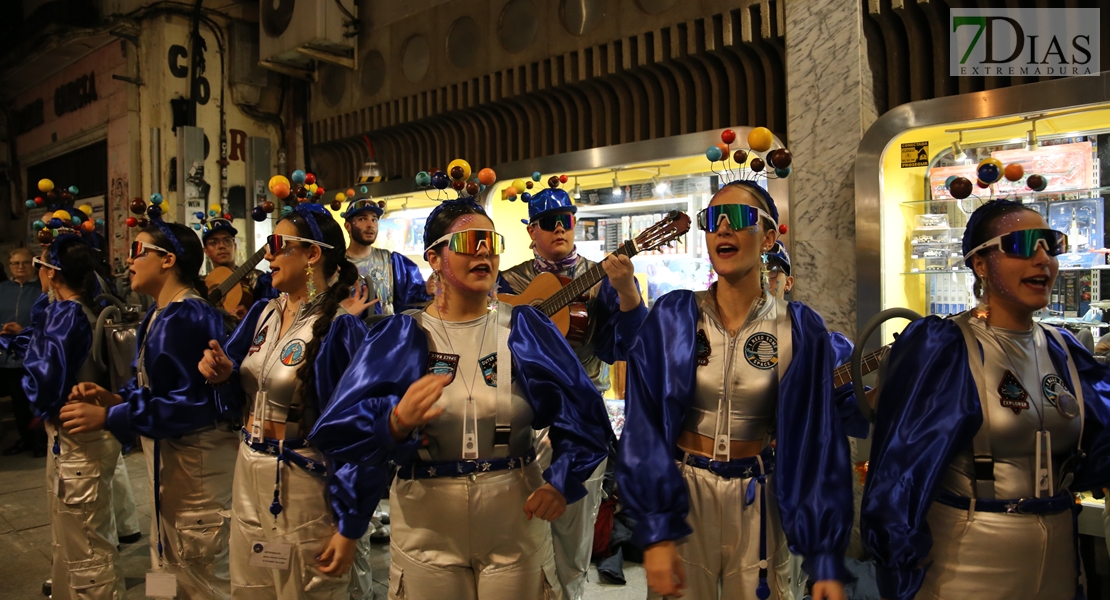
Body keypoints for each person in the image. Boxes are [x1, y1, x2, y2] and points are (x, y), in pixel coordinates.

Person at [310, 193, 612, 599]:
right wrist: (393, 425)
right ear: (434, 258)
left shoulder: (526, 328)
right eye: (470, 242)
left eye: (492, 241)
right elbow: (346, 434)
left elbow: (584, 414)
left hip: (515, 515)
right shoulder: (399, 336)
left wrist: (562, 481)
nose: (484, 251)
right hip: (425, 521)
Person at [861, 199, 1110, 600]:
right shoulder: (945, 348)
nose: (1042, 258)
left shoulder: (1064, 349)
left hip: (1060, 562)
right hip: (968, 567)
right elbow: (900, 473)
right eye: (1024, 244)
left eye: (1050, 243)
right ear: (980, 263)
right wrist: (898, 562)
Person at [617, 179, 852, 600]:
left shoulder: (800, 328)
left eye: (739, 217)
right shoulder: (675, 317)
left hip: (761, 499)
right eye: (712, 219)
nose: (723, 227)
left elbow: (818, 442)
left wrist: (825, 558)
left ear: (768, 237)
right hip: (684, 493)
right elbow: (644, 425)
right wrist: (654, 529)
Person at [199, 195, 377, 598]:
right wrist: (221, 374)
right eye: (268, 247)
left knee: (305, 589)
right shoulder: (264, 311)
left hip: (302, 483)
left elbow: (359, 433)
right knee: (252, 587)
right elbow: (238, 383)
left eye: (278, 247)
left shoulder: (341, 328)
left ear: (313, 254)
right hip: (249, 470)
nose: (267, 258)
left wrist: (350, 522)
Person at [60, 207, 237, 600]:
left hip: (197, 468)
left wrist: (110, 416)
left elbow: (189, 404)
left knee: (204, 575)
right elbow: (160, 389)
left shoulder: (187, 316)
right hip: (175, 465)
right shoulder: (159, 314)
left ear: (168, 260)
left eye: (139, 250)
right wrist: (118, 398)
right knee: (177, 566)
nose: (129, 259)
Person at [497, 186, 645, 600]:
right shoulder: (507, 281)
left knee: (574, 535)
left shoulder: (603, 278)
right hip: (521, 413)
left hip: (581, 416)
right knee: (517, 529)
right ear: (532, 231)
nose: (559, 228)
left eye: (566, 220)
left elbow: (624, 348)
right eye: (549, 222)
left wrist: (628, 293)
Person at [22, 232, 127, 599]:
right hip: (89, 436)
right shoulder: (92, 306)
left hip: (76, 436)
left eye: (39, 264)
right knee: (81, 536)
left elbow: (44, 381)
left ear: (52, 273)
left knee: (85, 548)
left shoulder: (66, 313)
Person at [343, 195, 433, 316]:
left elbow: (412, 296)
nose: (370, 224)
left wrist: (426, 289)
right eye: (363, 219)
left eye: (374, 219)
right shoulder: (338, 265)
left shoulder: (390, 260)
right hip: (351, 332)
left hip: (387, 332)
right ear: (348, 226)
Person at [0, 247, 46, 457]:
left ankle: (41, 440)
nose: (20, 267)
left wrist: (23, 331)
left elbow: (48, 323)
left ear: (33, 264)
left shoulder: (41, 290)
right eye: (15, 263)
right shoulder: (3, 289)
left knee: (36, 400)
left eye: (25, 263)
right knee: (18, 402)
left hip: (34, 354)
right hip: (8, 356)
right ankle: (25, 439)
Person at [202, 218, 275, 319]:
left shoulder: (257, 279)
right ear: (206, 250)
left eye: (227, 240)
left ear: (235, 246)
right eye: (214, 242)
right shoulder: (203, 284)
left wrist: (250, 317)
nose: (221, 246)